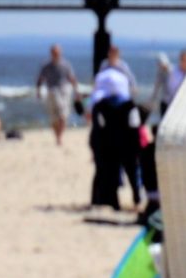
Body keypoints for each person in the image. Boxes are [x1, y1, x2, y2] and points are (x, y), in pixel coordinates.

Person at [87, 62, 138, 209]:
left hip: (108, 144)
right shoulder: (129, 105)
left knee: (108, 173)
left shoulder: (100, 105)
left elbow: (98, 126)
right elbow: (135, 125)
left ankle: (108, 200)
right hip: (126, 143)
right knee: (131, 172)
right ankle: (134, 196)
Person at [35, 45, 79, 147]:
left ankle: (59, 137)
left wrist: (76, 91)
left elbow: (71, 78)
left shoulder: (66, 64)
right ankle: (57, 136)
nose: (55, 54)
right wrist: (38, 91)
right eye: (54, 52)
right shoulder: (46, 66)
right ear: (51, 53)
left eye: (57, 52)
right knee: (53, 118)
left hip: (63, 91)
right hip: (51, 91)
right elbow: (40, 79)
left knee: (63, 115)